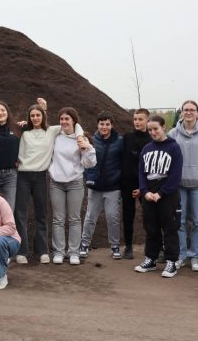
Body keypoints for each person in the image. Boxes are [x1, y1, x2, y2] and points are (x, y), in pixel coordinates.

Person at [14, 98, 80, 264]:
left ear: (43, 116)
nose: (35, 118)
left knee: (41, 214)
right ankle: (22, 251)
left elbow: (74, 125)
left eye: (38, 115)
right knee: (20, 214)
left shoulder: (51, 131)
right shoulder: (24, 132)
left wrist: (80, 137)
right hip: (23, 176)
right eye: (32, 116)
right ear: (29, 118)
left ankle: (42, 250)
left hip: (40, 177)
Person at [168, 100, 198, 272]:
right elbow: (168, 157)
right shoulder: (173, 133)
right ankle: (181, 255)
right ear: (181, 112)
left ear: (197, 112)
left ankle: (195, 255)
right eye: (186, 109)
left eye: (192, 110)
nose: (189, 112)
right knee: (179, 221)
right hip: (179, 185)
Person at [134, 116, 183, 278]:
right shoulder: (147, 148)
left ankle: (171, 262)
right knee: (151, 228)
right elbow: (141, 172)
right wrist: (145, 191)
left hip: (168, 195)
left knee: (170, 228)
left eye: (156, 129)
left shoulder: (174, 147)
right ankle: (151, 259)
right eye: (150, 130)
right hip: (149, 194)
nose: (153, 132)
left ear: (164, 127)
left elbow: (175, 175)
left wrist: (161, 193)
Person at [49, 107, 96, 265]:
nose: (63, 122)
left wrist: (88, 148)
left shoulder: (81, 139)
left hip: (75, 182)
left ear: (74, 121)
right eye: (61, 119)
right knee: (58, 219)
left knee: (74, 218)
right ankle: (59, 252)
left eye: (67, 119)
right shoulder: (56, 136)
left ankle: (74, 252)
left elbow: (89, 164)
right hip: (56, 182)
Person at [80, 111, 124, 259]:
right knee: (90, 216)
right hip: (95, 187)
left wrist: (119, 179)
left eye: (107, 124)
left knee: (112, 218)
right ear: (97, 125)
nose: (104, 127)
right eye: (101, 124)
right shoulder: (91, 140)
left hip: (113, 187)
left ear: (112, 125)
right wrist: (88, 176)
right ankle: (84, 244)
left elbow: (123, 162)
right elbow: (85, 160)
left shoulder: (120, 141)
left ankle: (115, 246)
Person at [119, 108, 151, 259]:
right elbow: (122, 159)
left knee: (150, 216)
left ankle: (155, 246)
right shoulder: (127, 137)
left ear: (147, 120)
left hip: (146, 185)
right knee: (128, 215)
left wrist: (143, 187)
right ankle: (128, 246)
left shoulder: (151, 139)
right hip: (128, 184)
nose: (137, 122)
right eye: (135, 119)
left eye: (140, 119)